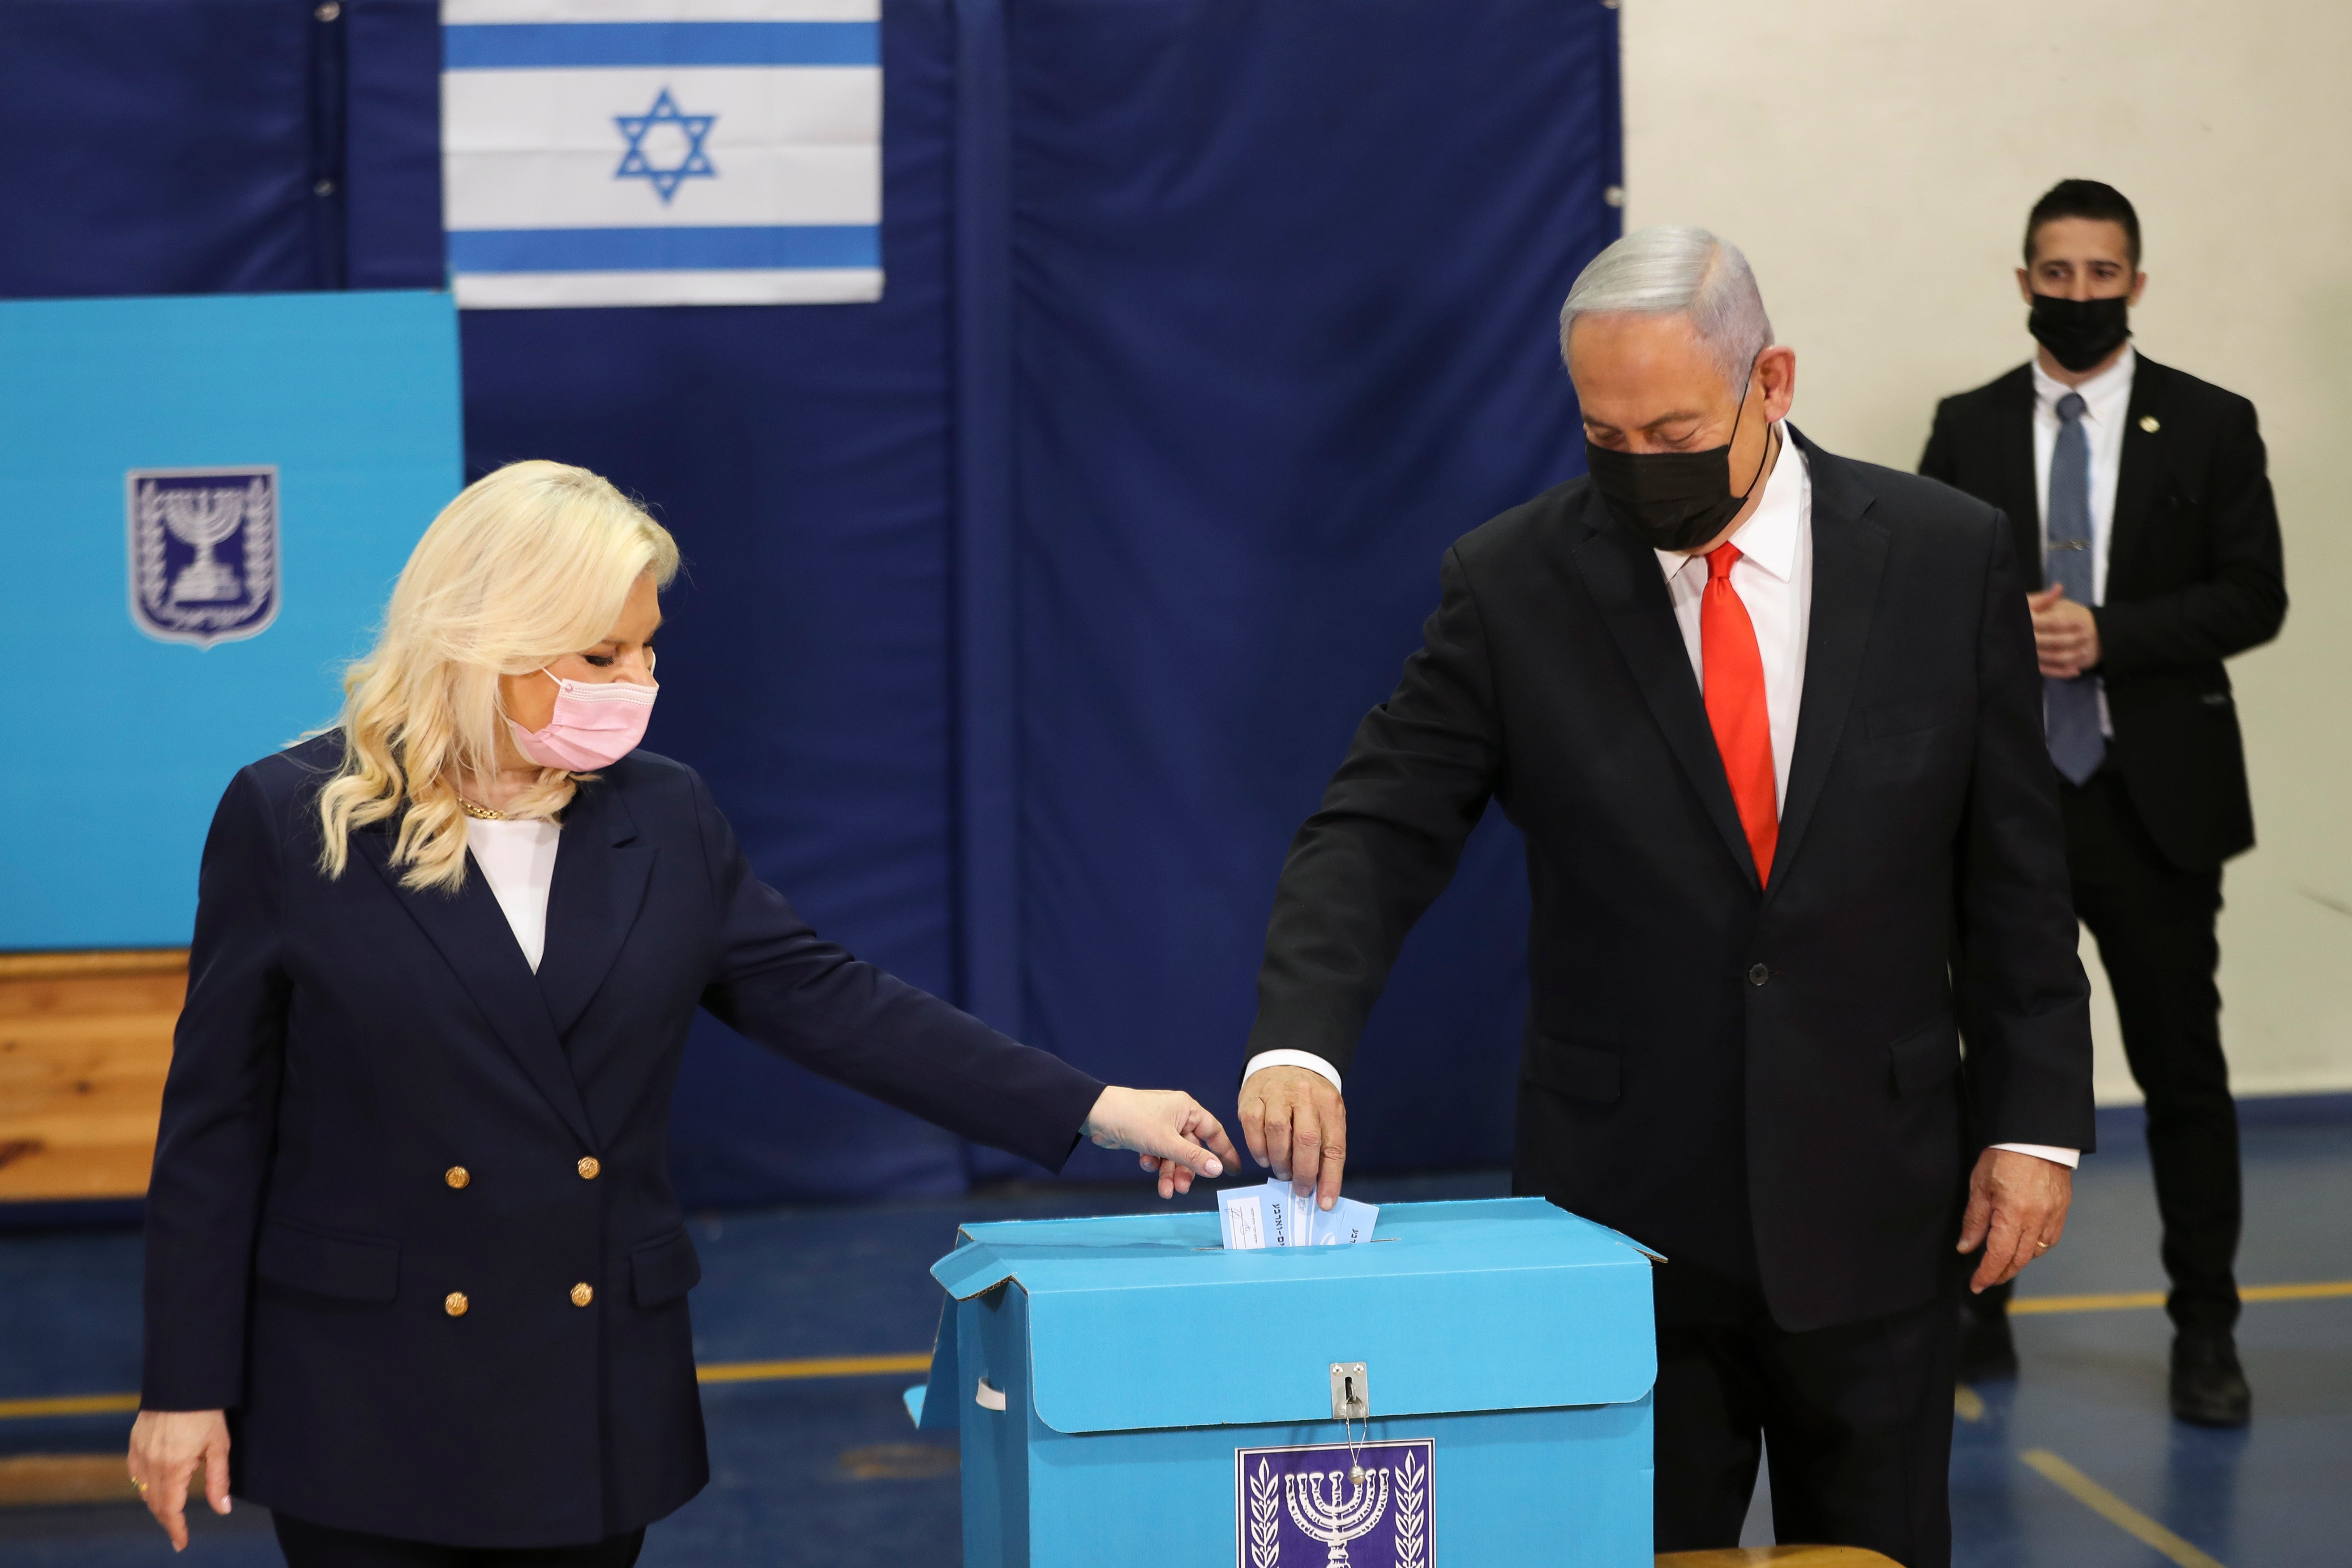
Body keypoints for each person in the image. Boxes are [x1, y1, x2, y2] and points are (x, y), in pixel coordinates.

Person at [128, 462, 1238, 1564]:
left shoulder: (665, 814)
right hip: (368, 1391)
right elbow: (215, 1129)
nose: (637, 679)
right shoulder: (291, 816)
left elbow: (832, 1000)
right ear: (487, 638)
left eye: (647, 647)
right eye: (601, 654)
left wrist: (1093, 1105)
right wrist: (185, 1386)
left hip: (590, 1381)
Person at [1233, 227, 2095, 1567]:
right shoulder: (1513, 581)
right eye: (1603, 435)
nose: (1638, 468)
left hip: (1877, 1194)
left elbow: (2013, 866)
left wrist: (2035, 1119)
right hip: (1619, 1213)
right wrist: (1300, 1036)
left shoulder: (1940, 553)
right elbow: (1375, 825)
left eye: (1672, 429)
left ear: (1773, 382)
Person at [1919, 180, 2286, 1426]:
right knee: (1985, 1064)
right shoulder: (1962, 427)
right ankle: (1975, 1302)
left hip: (2152, 805)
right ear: (2021, 278)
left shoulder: (2209, 422)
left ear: (2135, 280)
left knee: (2181, 1069)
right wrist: (1993, 634)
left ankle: (2204, 1328)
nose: (2077, 294)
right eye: (2055, 272)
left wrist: (2106, 634)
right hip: (2006, 806)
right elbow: (1909, 604)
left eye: (2100, 272)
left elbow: (2254, 596)